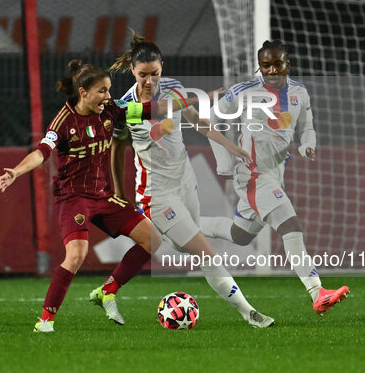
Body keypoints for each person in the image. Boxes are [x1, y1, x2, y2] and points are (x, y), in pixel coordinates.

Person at [101, 32, 275, 328]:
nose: (149, 81)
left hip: (185, 181)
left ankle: (168, 237)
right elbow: (117, 148)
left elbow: (196, 120)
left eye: (155, 73)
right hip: (156, 194)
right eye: (143, 75)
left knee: (190, 245)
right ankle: (250, 313)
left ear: (162, 68)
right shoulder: (124, 107)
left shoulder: (173, 89)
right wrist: (119, 191)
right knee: (205, 250)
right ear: (132, 70)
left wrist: (230, 147)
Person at [0, 60, 166, 332]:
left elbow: (151, 109)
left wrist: (195, 100)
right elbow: (41, 152)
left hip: (103, 195)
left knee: (153, 239)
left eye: (109, 90)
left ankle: (106, 290)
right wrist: (16, 172)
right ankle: (45, 321)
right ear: (83, 92)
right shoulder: (63, 121)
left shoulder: (111, 110)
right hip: (72, 197)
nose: (108, 97)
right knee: (76, 255)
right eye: (102, 91)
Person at [201, 39, 349, 315]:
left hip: (275, 173)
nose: (271, 70)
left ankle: (191, 224)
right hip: (253, 173)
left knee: (240, 234)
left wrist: (307, 145)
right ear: (259, 67)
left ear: (287, 63)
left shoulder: (299, 93)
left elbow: (307, 127)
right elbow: (210, 115)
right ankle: (318, 292)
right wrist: (224, 159)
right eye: (265, 65)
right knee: (290, 226)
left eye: (276, 64)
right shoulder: (244, 92)